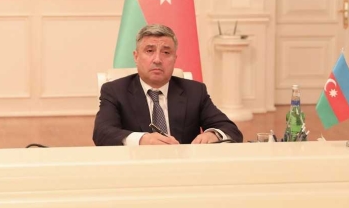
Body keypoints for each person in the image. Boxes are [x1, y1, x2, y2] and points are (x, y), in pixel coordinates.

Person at [93, 24, 242, 146]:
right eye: (149, 51)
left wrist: (213, 134)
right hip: (135, 166)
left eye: (166, 52)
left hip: (184, 167)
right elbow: (102, 133)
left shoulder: (195, 91)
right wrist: (142, 139)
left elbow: (230, 129)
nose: (157, 59)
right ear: (136, 57)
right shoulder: (115, 91)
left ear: (175, 58)